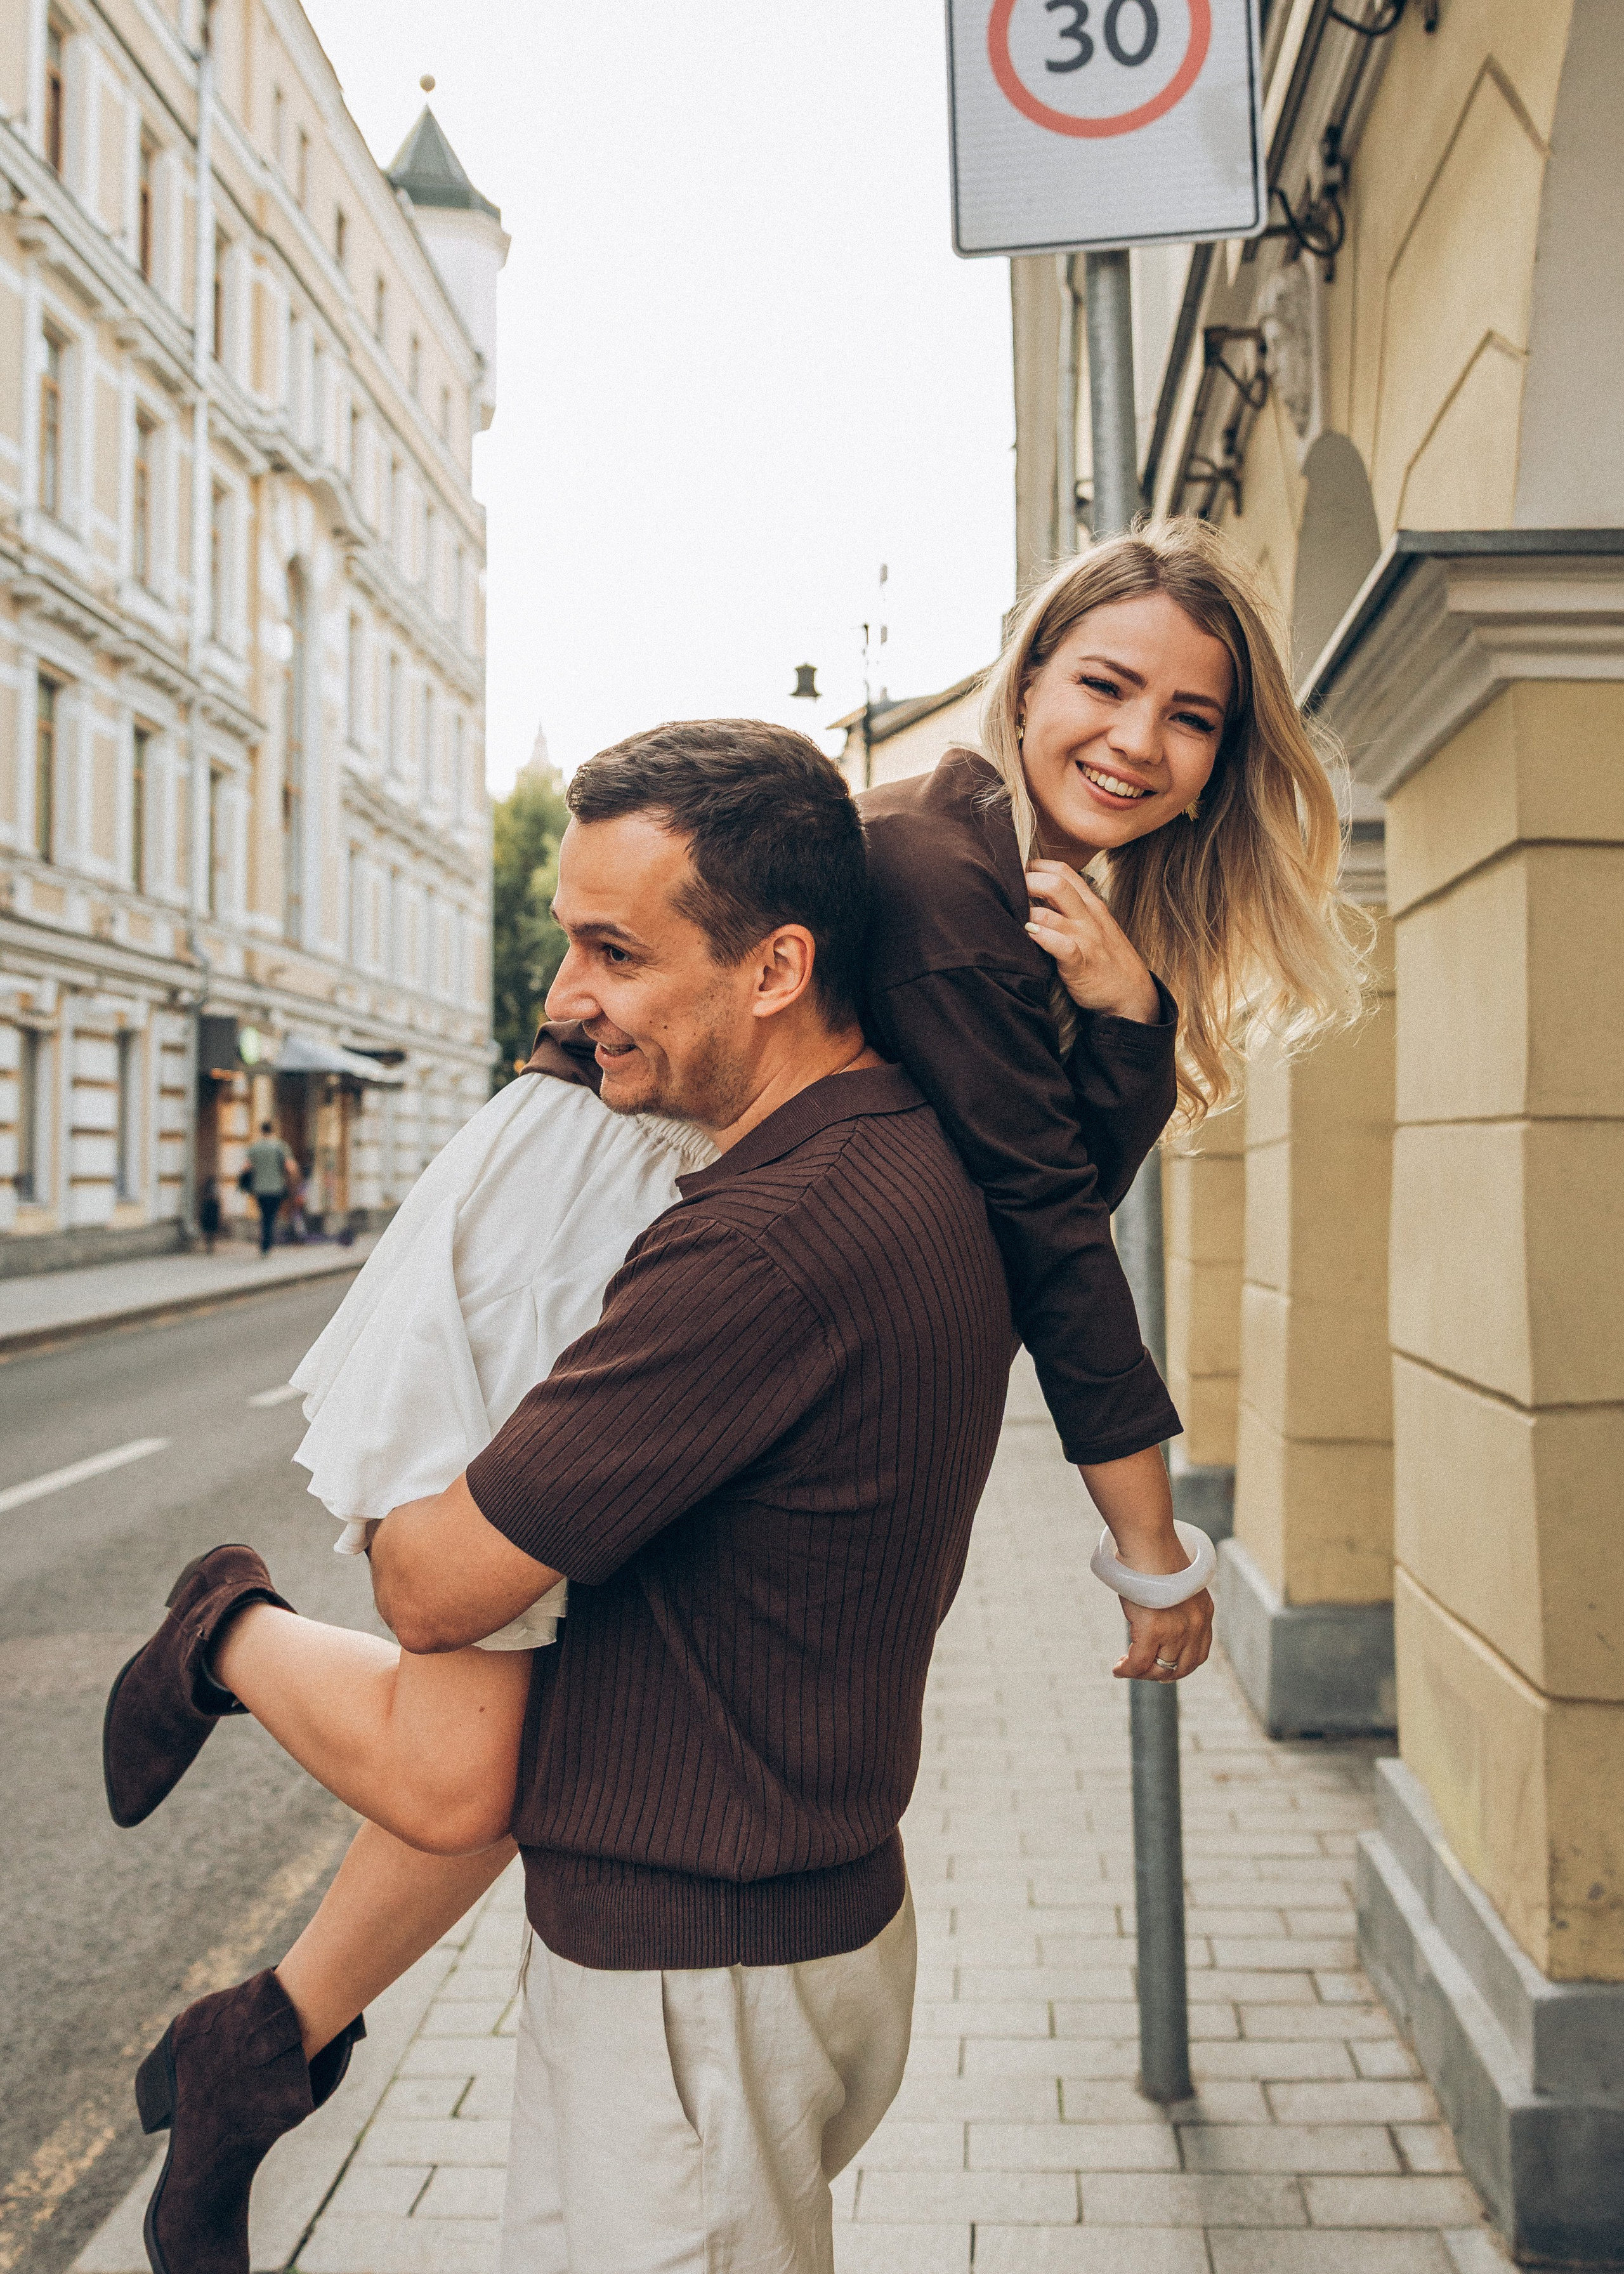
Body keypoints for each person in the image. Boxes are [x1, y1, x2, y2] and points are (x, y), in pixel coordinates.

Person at [102, 520, 1368, 2269]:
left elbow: (1025, 1207)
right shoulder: (943, 877)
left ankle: (262, 2041)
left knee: (505, 1760)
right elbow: (1054, 1247)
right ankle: (224, 1640)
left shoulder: (1019, 895)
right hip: (606, 1184)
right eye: (1106, 684)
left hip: (694, 1197)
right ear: (1024, 673)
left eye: (1195, 717)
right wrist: (1150, 1543)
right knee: (467, 1759)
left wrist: (1134, 1018)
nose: (1141, 743)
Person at [244, 1122, 294, 1254]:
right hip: (276, 1188)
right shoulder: (280, 1146)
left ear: (261, 1131)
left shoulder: (255, 1148)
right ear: (273, 1131)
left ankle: (264, 1243)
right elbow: (290, 1167)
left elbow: (246, 1167)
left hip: (259, 1188)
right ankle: (267, 1243)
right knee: (271, 1216)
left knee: (264, 1215)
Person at [197, 1175, 221, 1256]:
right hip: (211, 1211)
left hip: (210, 1211)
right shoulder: (214, 1193)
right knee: (210, 1230)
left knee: (208, 1230)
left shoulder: (206, 1199)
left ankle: (209, 1246)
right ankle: (210, 1246)